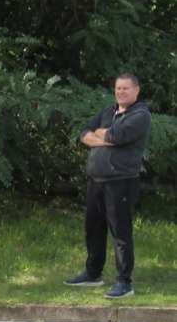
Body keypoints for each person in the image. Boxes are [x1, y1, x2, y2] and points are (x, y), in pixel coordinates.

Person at [64, 72, 152, 298]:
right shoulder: (107, 112)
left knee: (120, 232)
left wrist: (105, 135)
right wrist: (105, 137)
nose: (121, 92)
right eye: (118, 88)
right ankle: (93, 274)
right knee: (93, 228)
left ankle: (124, 282)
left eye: (125, 88)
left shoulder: (140, 115)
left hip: (121, 181)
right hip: (96, 179)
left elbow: (117, 135)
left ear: (136, 90)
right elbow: (84, 133)